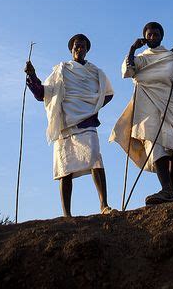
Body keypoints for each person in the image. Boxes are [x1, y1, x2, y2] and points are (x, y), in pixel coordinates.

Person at [24, 33, 114, 216]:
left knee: (95, 159)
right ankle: (66, 215)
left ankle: (104, 205)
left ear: (87, 49)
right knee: (65, 169)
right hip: (64, 122)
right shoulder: (61, 70)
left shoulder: (96, 72)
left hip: (86, 121)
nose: (79, 49)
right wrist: (32, 75)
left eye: (82, 46)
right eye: (76, 46)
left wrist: (92, 106)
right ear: (71, 49)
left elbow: (108, 93)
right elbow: (43, 93)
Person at [109, 22, 173, 205]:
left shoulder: (171, 55)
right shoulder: (142, 57)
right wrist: (132, 48)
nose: (152, 36)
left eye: (156, 33)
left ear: (161, 36)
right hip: (148, 102)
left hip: (172, 101)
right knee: (154, 140)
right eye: (149, 34)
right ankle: (166, 188)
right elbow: (128, 71)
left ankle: (170, 192)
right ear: (145, 37)